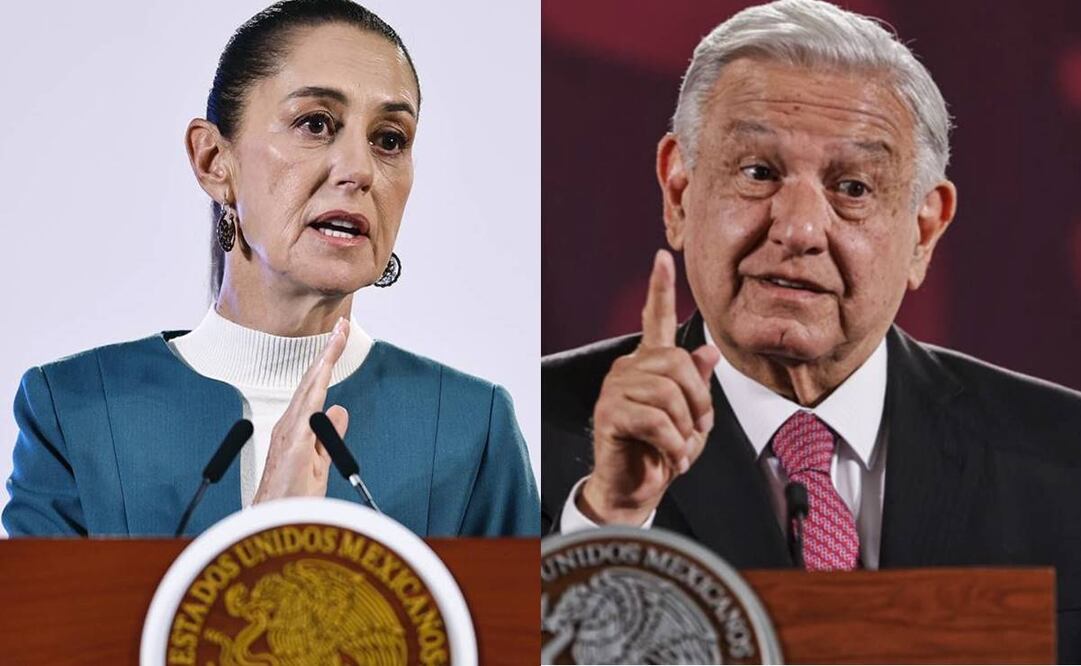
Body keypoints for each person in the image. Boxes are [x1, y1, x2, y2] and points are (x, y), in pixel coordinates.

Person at [541, 0, 1081, 657]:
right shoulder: (526, 436)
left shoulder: (1062, 459)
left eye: (852, 187)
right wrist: (610, 523)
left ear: (923, 230)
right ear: (678, 192)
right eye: (757, 173)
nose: (796, 230)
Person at [4, 0, 538, 538]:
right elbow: (51, 625)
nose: (359, 169)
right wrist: (264, 539)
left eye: (390, 139)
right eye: (315, 123)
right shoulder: (74, 412)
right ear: (214, 161)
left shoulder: (470, 427)